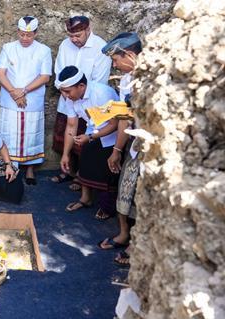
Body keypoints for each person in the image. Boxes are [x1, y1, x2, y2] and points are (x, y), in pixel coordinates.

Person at [97, 32, 143, 267]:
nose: (114, 65)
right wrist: (117, 150)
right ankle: (124, 233)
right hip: (133, 145)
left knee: (144, 197)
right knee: (125, 189)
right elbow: (125, 116)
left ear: (131, 55)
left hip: (149, 146)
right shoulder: (126, 80)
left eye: (116, 60)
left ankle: (139, 244)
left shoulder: (149, 78)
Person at [51, 16, 112, 187]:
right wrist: (66, 93)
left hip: (89, 101)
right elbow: (59, 71)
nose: (74, 40)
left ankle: (81, 176)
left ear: (88, 29)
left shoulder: (100, 47)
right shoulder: (65, 45)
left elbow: (100, 80)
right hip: (67, 98)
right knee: (65, 135)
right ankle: (68, 171)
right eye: (71, 36)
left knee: (85, 138)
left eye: (78, 35)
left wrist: (79, 95)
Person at [0, 16, 52, 185]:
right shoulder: (8, 48)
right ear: (18, 32)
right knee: (10, 133)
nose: (25, 38)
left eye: (29, 35)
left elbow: (45, 77)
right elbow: (0, 73)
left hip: (32, 98)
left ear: (36, 33)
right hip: (10, 97)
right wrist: (14, 92)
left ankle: (29, 170)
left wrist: (24, 91)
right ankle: (9, 166)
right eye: (22, 34)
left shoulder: (44, 50)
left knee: (31, 134)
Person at [58, 66, 119, 220]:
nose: (65, 95)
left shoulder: (101, 93)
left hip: (112, 136)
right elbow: (71, 126)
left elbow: (114, 124)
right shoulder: (72, 97)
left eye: (67, 91)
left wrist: (90, 137)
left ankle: (107, 208)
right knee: (85, 163)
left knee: (107, 174)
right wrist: (65, 155)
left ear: (81, 86)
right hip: (91, 131)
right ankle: (85, 199)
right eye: (63, 91)